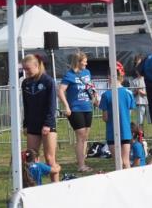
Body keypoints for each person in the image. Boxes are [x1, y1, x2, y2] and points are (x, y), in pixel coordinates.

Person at [21, 54, 59, 183]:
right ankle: (33, 186)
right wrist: (25, 124)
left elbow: (51, 104)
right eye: (24, 69)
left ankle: (56, 186)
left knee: (49, 158)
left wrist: (47, 124)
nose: (26, 72)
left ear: (36, 66)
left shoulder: (48, 81)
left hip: (47, 124)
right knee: (30, 158)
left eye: (28, 69)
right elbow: (25, 105)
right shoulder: (25, 83)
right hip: (32, 124)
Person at [58, 52, 97, 173]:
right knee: (80, 136)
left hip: (87, 107)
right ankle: (81, 165)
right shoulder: (69, 75)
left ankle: (83, 162)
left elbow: (90, 86)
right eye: (84, 61)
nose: (86, 63)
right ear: (78, 62)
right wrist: (67, 106)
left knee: (85, 136)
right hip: (75, 109)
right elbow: (60, 91)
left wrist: (95, 96)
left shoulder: (87, 72)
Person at [99, 62, 136, 169]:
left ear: (109, 76)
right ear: (121, 75)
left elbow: (105, 118)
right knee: (126, 162)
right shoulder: (128, 93)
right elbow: (128, 112)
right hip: (125, 132)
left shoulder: (106, 95)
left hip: (112, 133)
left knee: (118, 162)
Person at [129, 54, 148, 126]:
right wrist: (136, 91)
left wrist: (143, 93)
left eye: (140, 64)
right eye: (137, 65)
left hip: (148, 103)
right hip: (139, 103)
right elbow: (132, 94)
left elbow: (150, 92)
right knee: (140, 120)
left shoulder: (147, 79)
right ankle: (140, 135)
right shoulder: (134, 81)